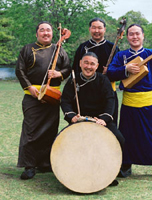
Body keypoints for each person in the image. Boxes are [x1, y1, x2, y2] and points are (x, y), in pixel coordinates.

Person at [107, 24, 152, 180]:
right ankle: (125, 166)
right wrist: (126, 69)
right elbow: (110, 73)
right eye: (131, 34)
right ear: (127, 37)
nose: (134, 37)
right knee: (127, 136)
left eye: (137, 33)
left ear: (143, 35)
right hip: (129, 102)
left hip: (150, 102)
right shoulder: (121, 56)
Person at [15, 21, 71, 180]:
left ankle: (45, 163)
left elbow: (68, 68)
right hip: (33, 95)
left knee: (49, 130)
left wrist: (59, 74)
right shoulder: (27, 49)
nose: (45, 33)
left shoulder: (59, 50)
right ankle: (30, 165)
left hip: (52, 96)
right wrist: (29, 87)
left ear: (53, 33)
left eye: (48, 30)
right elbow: (19, 70)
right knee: (31, 131)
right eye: (42, 30)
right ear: (37, 33)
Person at [61, 52, 125, 186]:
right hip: (79, 120)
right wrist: (72, 117)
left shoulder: (103, 80)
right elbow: (65, 101)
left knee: (119, 139)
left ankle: (109, 173)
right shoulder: (73, 80)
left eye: (92, 64)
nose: (88, 66)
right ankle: (71, 172)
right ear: (80, 63)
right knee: (62, 140)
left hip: (100, 120)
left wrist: (103, 119)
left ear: (97, 66)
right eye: (86, 63)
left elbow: (110, 101)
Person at [72, 17, 120, 125]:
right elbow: (75, 70)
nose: (96, 31)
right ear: (89, 29)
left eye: (99, 28)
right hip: (85, 94)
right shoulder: (82, 47)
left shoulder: (113, 47)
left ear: (105, 30)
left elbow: (119, 73)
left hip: (107, 95)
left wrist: (111, 71)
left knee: (108, 128)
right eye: (94, 28)